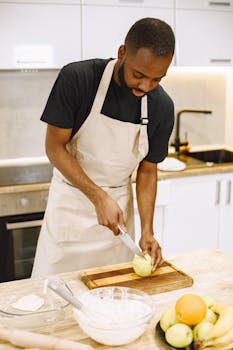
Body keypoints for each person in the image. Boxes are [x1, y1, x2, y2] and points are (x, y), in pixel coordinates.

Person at [32, 17, 175, 278]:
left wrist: (147, 231)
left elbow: (147, 170)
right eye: (139, 75)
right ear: (122, 53)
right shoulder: (78, 80)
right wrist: (98, 197)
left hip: (116, 223)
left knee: (112, 297)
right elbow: (54, 148)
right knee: (55, 302)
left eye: (157, 79)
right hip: (70, 212)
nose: (145, 87)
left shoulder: (161, 106)